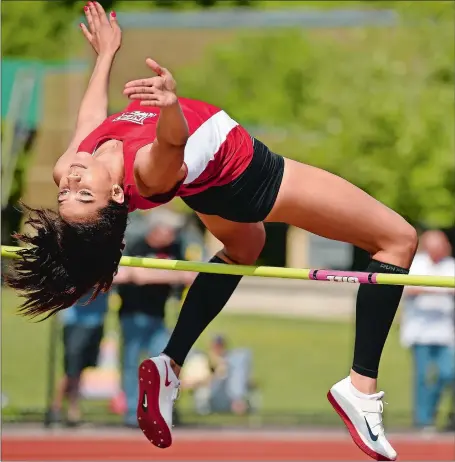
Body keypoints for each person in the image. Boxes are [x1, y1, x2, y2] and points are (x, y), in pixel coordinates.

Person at [5, 4, 418, 461]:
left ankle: (170, 363)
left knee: (246, 248)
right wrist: (169, 106)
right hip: (248, 175)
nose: (72, 185)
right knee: (397, 239)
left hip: (211, 185)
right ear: (118, 197)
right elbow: (172, 143)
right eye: (84, 196)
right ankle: (361, 387)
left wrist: (105, 55)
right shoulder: (145, 174)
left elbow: (89, 117)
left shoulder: (72, 164)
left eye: (67, 196)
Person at [113, 209, 193, 427]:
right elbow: (133, 275)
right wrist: (168, 276)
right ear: (158, 230)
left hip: (158, 317)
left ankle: (161, 410)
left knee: (165, 364)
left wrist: (160, 276)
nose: (175, 235)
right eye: (171, 231)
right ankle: (132, 413)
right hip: (132, 315)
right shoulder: (137, 245)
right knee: (131, 364)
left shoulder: (175, 248)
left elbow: (190, 275)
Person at [401, 230, 455, 432]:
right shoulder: (418, 264)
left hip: (445, 332)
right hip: (420, 332)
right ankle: (423, 420)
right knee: (424, 376)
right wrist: (437, 289)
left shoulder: (450, 265)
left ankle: (435, 413)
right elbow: (409, 289)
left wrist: (430, 289)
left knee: (448, 373)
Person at [48, 291, 109, 426]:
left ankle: (62, 407)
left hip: (97, 319)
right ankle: (64, 407)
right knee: (72, 368)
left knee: (81, 367)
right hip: (75, 321)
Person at [181, 334, 256, 416]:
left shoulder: (229, 361)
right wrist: (213, 376)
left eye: (221, 346)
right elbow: (187, 383)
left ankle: (238, 402)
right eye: (216, 346)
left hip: (228, 395)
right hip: (209, 394)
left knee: (240, 359)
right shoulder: (201, 361)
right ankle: (237, 403)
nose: (218, 349)